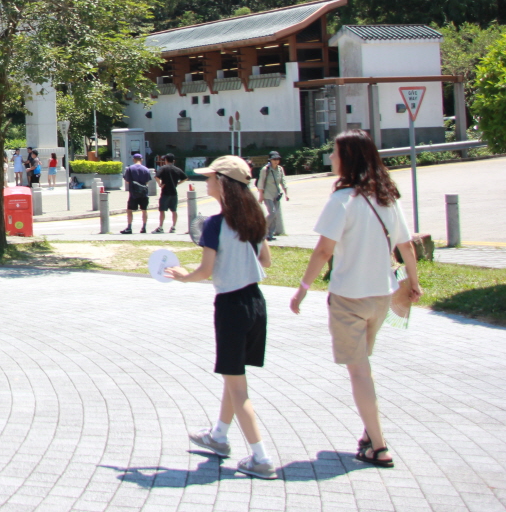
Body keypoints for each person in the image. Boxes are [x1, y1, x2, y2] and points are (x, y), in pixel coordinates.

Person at [290, 130, 421, 469]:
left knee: (360, 372)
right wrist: (414, 282)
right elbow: (406, 246)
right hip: (381, 296)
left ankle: (378, 446)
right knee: (364, 366)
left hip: (349, 297)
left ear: (348, 158)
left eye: (335, 153)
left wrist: (303, 287)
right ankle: (369, 434)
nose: (331, 158)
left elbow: (324, 250)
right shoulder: (387, 197)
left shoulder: (342, 200)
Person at [165, 156, 277, 480]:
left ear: (224, 184)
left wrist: (184, 276)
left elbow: (206, 270)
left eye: (211, 177)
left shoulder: (215, 224)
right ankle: (218, 436)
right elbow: (266, 261)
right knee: (234, 375)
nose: (207, 182)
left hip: (231, 307)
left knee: (239, 388)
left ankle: (261, 458)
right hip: (256, 303)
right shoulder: (254, 219)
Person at [257, 151, 289, 241]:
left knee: (275, 215)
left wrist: (286, 194)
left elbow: (283, 181)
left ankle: (270, 235)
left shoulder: (280, 169)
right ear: (270, 160)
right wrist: (261, 196)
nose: (276, 161)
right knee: (272, 212)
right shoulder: (265, 169)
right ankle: (262, 228)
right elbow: (261, 183)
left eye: (277, 159)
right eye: (274, 159)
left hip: (276, 194)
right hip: (267, 194)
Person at [120, 153, 154, 234]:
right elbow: (147, 182)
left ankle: (129, 228)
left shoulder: (130, 169)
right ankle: (144, 227)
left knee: (129, 210)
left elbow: (127, 181)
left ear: (133, 159)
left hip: (133, 193)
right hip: (144, 193)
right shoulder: (146, 169)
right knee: (144, 210)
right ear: (141, 160)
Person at [156, 154, 187, 235]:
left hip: (165, 192)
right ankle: (173, 227)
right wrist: (177, 183)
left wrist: (160, 184)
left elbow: (156, 177)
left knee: (162, 210)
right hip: (174, 192)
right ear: (173, 161)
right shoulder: (177, 169)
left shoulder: (163, 168)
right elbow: (185, 178)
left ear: (165, 160)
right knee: (174, 210)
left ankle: (161, 227)